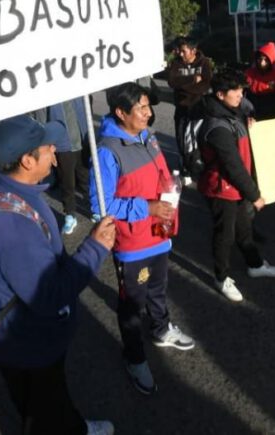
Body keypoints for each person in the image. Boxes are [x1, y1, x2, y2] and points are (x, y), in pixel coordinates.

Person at [0, 116, 116, 435]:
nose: (55, 151)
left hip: (29, 338)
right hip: (27, 343)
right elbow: (48, 295)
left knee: (51, 398)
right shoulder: (9, 227)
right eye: (48, 146)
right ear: (26, 160)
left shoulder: (8, 186)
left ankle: (74, 425)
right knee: (40, 410)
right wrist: (95, 248)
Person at [90, 82, 195, 396]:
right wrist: (147, 207)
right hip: (133, 243)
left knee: (159, 288)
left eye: (149, 106)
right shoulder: (107, 150)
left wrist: (172, 188)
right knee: (132, 304)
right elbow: (101, 206)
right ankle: (134, 357)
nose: (149, 114)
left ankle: (161, 328)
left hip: (159, 234)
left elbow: (159, 177)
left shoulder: (147, 137)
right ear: (121, 112)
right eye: (141, 108)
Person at [196, 69, 275, 302]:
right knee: (225, 235)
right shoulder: (217, 126)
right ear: (221, 94)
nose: (241, 94)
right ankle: (221, 278)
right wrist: (255, 195)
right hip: (221, 189)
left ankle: (255, 265)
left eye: (242, 90)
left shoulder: (232, 113)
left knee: (244, 229)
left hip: (236, 187)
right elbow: (232, 166)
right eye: (237, 90)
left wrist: (248, 123)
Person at [40, 98, 90, 235]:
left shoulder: (76, 84)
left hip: (83, 139)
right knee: (67, 183)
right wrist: (47, 145)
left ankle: (94, 207)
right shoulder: (45, 92)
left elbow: (87, 105)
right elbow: (41, 120)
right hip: (62, 145)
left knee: (86, 177)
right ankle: (70, 214)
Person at [166, 36, 213, 173]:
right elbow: (172, 81)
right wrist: (192, 80)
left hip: (198, 107)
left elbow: (206, 84)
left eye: (183, 51)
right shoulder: (176, 63)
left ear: (193, 50)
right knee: (181, 138)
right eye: (179, 51)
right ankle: (185, 163)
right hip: (181, 107)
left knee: (195, 138)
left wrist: (184, 86)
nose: (180, 54)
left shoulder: (204, 63)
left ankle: (196, 164)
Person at [244, 41, 275, 121]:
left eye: (266, 60)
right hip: (251, 112)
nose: (262, 63)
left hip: (270, 114)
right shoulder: (249, 73)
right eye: (260, 59)